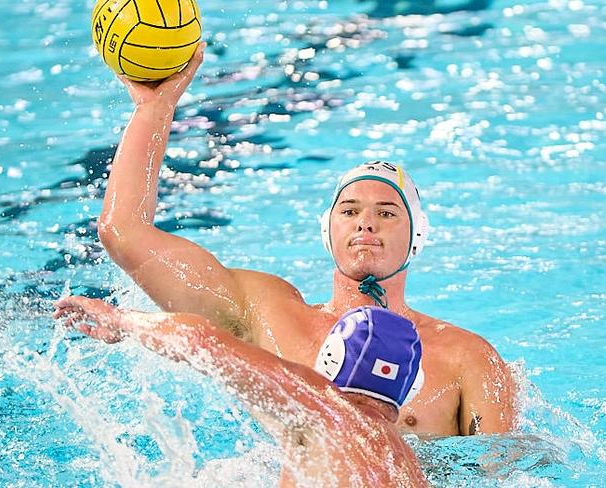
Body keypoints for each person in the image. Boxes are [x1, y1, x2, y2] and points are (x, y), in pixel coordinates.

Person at [96, 41, 516, 436]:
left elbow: (507, 474)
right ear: (326, 230)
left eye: (386, 213)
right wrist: (155, 107)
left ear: (417, 236)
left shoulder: (468, 357)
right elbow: (124, 233)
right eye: (349, 211)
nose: (365, 224)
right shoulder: (268, 312)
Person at [53, 295, 429, 487]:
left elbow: (201, 343)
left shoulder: (320, 404)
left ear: (331, 359)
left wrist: (120, 319)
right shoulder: (405, 464)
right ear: (406, 389)